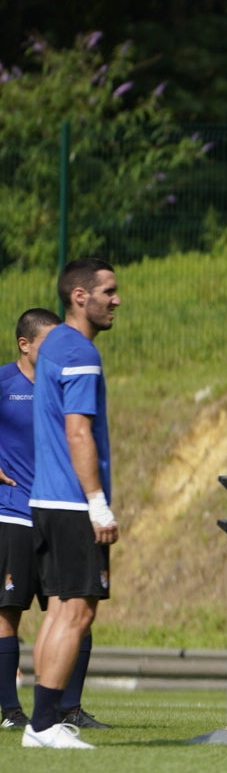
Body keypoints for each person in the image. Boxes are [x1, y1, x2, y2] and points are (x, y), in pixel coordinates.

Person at [23, 259, 123, 749]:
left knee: (59, 609)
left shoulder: (53, 347)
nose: (117, 300)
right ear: (80, 297)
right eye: (109, 291)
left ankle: (39, 724)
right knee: (77, 613)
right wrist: (98, 504)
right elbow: (77, 429)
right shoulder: (80, 351)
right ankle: (44, 724)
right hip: (70, 505)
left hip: (45, 500)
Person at [2, 308, 97, 732]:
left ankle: (67, 709)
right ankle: (10, 710)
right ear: (25, 345)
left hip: (60, 508)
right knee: (8, 610)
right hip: (14, 512)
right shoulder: (4, 382)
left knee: (76, 602)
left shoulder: (62, 381)